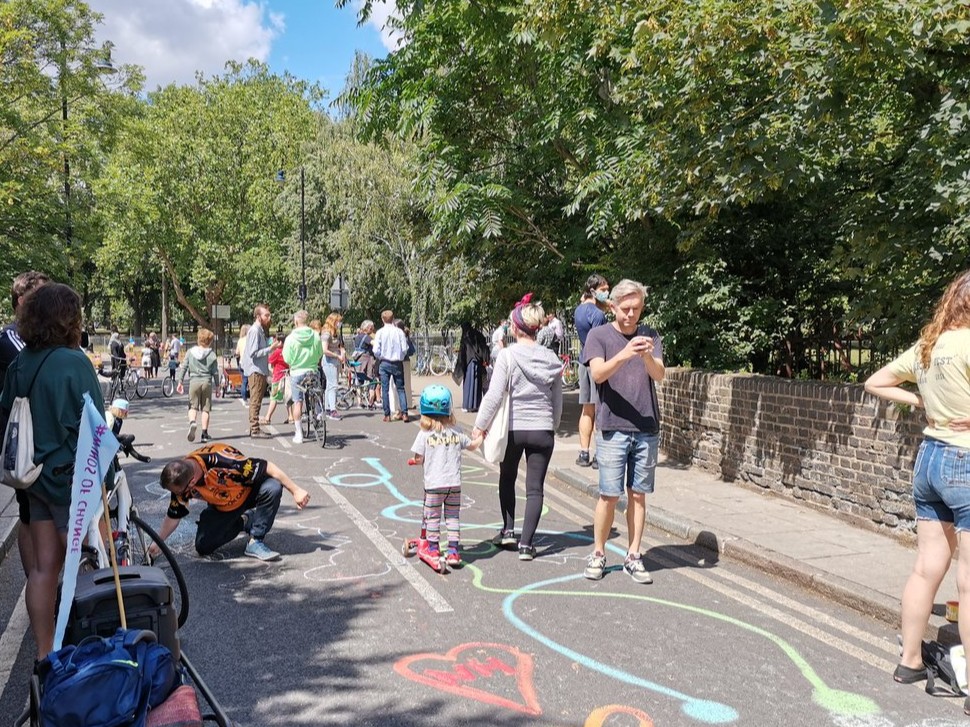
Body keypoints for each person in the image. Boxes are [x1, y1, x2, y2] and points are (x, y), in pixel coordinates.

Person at [864, 270, 970, 700]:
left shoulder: (930, 346)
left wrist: (922, 401)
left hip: (928, 461)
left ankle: (909, 662)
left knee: (926, 568)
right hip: (965, 461)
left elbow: (874, 382)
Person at [0, 283, 108, 658]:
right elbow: (94, 427)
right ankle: (94, 647)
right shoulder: (73, 361)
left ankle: (45, 655)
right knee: (92, 559)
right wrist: (105, 480)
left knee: (44, 569)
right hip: (69, 480)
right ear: (70, 320)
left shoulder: (20, 362)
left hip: (33, 480)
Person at [581, 279, 664, 584]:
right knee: (608, 495)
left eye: (637, 309)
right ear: (613, 306)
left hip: (645, 426)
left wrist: (644, 355)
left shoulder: (651, 335)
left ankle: (633, 555)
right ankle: (599, 553)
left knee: (638, 496)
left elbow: (660, 375)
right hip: (613, 426)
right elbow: (598, 374)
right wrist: (626, 353)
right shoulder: (599, 335)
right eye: (626, 308)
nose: (631, 315)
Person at [472, 294, 563, 560]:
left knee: (507, 477)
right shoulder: (552, 359)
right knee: (535, 488)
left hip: (513, 429)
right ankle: (526, 544)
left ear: (514, 328)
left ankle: (508, 530)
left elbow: (494, 395)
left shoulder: (508, 356)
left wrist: (479, 426)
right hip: (542, 429)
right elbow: (557, 401)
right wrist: (552, 425)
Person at [151, 443, 311, 562]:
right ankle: (244, 521)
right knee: (203, 547)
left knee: (273, 487)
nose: (176, 494)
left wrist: (296, 490)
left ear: (192, 482)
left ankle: (256, 539)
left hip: (248, 493)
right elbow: (174, 515)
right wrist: (158, 542)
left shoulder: (224, 461)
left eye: (177, 492)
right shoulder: (181, 478)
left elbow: (267, 466)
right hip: (223, 506)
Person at [0, 271, 49, 578]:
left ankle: (43, 579)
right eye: (42, 296)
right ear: (22, 300)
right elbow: (42, 368)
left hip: (38, 437)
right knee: (30, 514)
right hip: (23, 442)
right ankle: (37, 579)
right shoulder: (12, 339)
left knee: (37, 513)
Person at [410, 385, 483, 567]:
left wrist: (414, 461)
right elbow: (473, 445)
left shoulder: (424, 434)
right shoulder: (456, 431)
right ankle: (453, 551)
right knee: (452, 517)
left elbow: (419, 458)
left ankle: (433, 549)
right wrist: (483, 435)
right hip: (454, 484)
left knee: (433, 517)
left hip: (434, 485)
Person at [574, 274, 611, 469]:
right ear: (593, 290)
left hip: (583, 361)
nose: (607, 293)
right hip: (597, 364)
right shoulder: (598, 315)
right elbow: (600, 341)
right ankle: (598, 455)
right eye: (604, 290)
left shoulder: (579, 310)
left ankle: (583, 453)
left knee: (586, 410)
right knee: (600, 409)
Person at [283, 310, 323, 444]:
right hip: (312, 370)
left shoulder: (291, 338)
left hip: (297, 372)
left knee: (297, 402)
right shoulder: (315, 335)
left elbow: (287, 357)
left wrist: (294, 363)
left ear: (295, 322)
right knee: (316, 392)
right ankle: (318, 411)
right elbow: (319, 353)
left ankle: (299, 433)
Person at [241, 304, 280, 439]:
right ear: (258, 316)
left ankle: (255, 427)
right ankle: (255, 429)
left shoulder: (260, 330)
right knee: (255, 400)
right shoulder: (255, 330)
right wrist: (271, 348)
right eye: (266, 315)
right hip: (255, 370)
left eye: (269, 315)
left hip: (260, 370)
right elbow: (253, 353)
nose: (269, 318)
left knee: (256, 400)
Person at [176, 328, 221, 444]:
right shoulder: (211, 354)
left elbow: (184, 367)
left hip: (194, 381)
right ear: (210, 341)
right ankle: (204, 434)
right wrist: (218, 386)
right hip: (206, 381)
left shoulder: (190, 352)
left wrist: (180, 381)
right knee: (206, 409)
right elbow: (215, 371)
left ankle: (192, 422)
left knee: (192, 406)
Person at [373, 309, 410, 423]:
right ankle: (404, 413)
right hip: (397, 362)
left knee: (385, 389)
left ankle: (387, 415)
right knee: (400, 388)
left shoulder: (380, 332)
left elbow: (375, 350)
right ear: (393, 318)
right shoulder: (399, 332)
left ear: (382, 319)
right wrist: (400, 356)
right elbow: (405, 349)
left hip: (384, 362)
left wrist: (380, 356)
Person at [454, 322, 490, 413]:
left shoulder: (466, 336)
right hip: (478, 362)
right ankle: (476, 405)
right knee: (477, 384)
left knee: (468, 385)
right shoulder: (477, 334)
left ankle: (467, 405)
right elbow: (483, 347)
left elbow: (463, 352)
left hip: (469, 363)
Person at [320, 313, 345, 421]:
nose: (340, 323)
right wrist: (337, 355)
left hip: (335, 361)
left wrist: (342, 352)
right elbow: (324, 350)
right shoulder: (326, 333)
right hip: (329, 361)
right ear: (333, 321)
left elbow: (340, 345)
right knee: (333, 385)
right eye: (338, 321)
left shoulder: (336, 333)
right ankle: (332, 409)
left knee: (330, 386)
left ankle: (327, 408)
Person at [264, 334, 292, 425]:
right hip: (287, 376)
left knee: (274, 398)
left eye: (275, 341)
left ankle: (268, 417)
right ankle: (290, 416)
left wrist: (272, 349)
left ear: (280, 342)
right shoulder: (288, 351)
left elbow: (270, 361)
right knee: (287, 397)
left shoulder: (277, 352)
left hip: (277, 377)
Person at [353, 320, 379, 409]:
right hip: (367, 361)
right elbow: (375, 344)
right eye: (371, 328)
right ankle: (371, 401)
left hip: (358, 361)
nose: (372, 329)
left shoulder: (357, 337)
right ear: (367, 328)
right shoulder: (367, 337)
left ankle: (359, 402)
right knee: (372, 380)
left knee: (359, 380)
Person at [235, 324, 250, 403]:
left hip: (242, 362)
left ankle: (244, 398)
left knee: (244, 381)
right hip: (249, 363)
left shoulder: (240, 340)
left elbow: (237, 352)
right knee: (251, 381)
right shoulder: (250, 339)